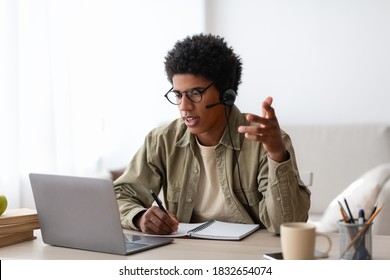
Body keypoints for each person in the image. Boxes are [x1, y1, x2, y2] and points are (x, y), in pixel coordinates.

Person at [114, 33, 310, 235]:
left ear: (227, 95)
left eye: (195, 93)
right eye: (178, 95)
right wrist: (138, 216)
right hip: (184, 253)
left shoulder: (266, 142)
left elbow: (287, 224)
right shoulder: (162, 140)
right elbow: (121, 194)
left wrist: (277, 154)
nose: (184, 107)